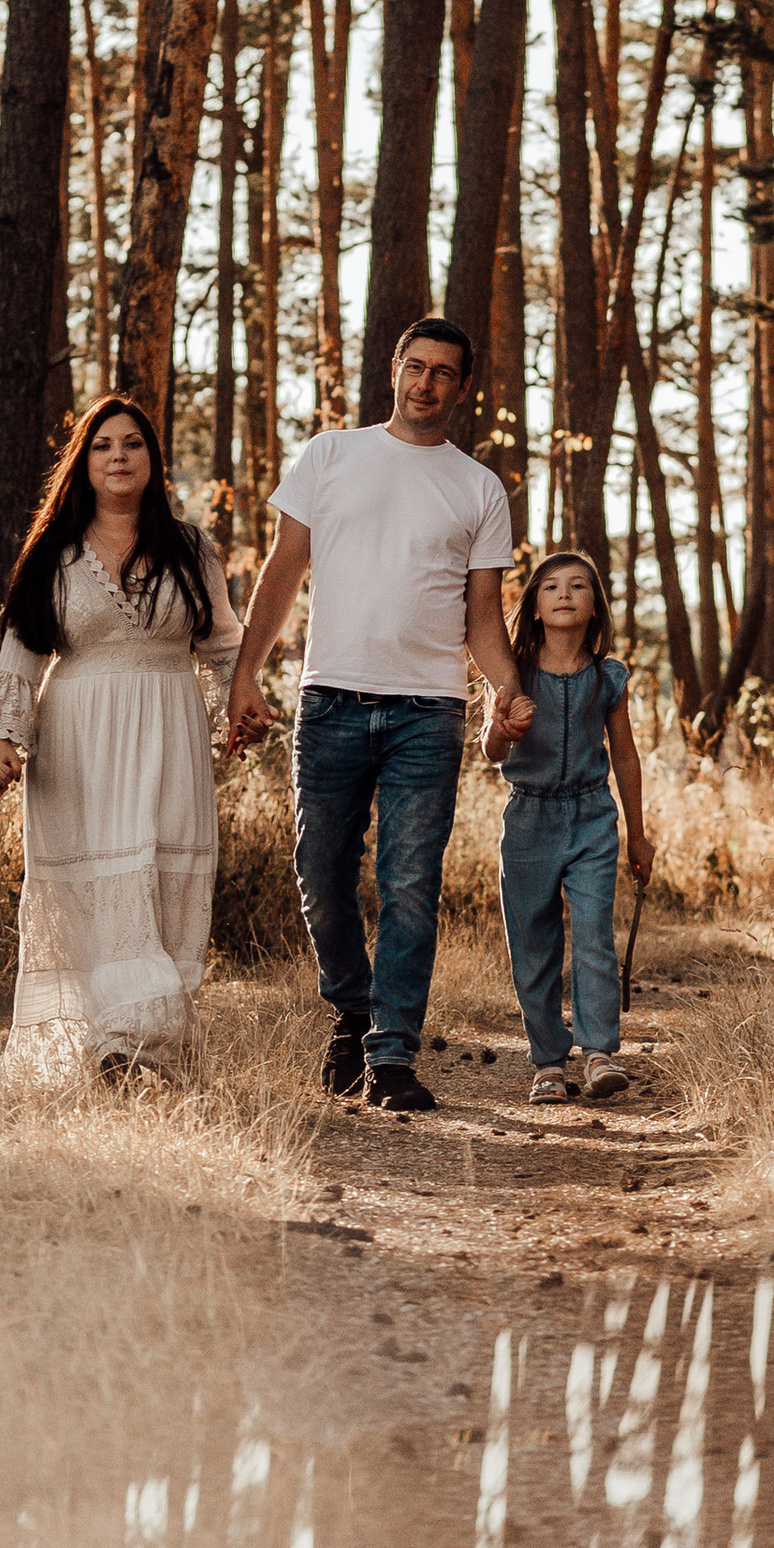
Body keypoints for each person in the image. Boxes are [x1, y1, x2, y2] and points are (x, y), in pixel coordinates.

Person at [227, 315, 534, 1113]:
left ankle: (392, 1054)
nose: (424, 383)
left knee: (407, 883)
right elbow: (283, 570)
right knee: (321, 875)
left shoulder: (477, 488)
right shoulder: (331, 454)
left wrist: (507, 686)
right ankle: (351, 1007)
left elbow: (482, 621)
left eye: (442, 372)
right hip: (329, 700)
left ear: (461, 390)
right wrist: (246, 676)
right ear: (395, 369)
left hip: (427, 714)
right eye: (415, 366)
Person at [0, 394, 244, 1084]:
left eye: (132, 444)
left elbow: (222, 644)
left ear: (153, 461)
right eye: (103, 446)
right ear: (84, 463)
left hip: (169, 731)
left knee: (157, 881)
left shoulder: (189, 548)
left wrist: (238, 709)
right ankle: (112, 1048)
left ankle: (141, 1047)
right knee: (96, 889)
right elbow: (20, 655)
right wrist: (1, 738)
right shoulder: (53, 556)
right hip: (78, 743)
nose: (119, 456)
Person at [483, 548, 655, 1106]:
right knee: (532, 943)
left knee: (593, 938)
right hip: (529, 816)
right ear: (533, 605)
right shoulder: (510, 670)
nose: (564, 594)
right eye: (551, 586)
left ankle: (600, 1053)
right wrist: (506, 728)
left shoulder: (608, 676)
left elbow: (624, 755)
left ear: (594, 606)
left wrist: (639, 833)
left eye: (579, 586)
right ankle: (549, 1064)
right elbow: (490, 748)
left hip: (592, 816)